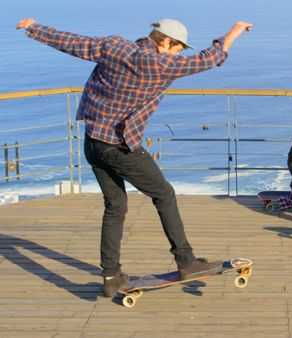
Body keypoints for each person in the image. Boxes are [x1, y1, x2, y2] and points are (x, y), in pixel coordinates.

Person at [16, 17, 252, 297]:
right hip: (119, 146)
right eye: (178, 48)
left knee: (115, 205)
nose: (179, 54)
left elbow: (73, 43)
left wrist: (34, 28)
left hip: (93, 142)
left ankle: (111, 276)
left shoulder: (114, 46)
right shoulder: (157, 63)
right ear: (165, 41)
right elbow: (206, 60)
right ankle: (186, 261)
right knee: (164, 194)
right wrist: (232, 34)